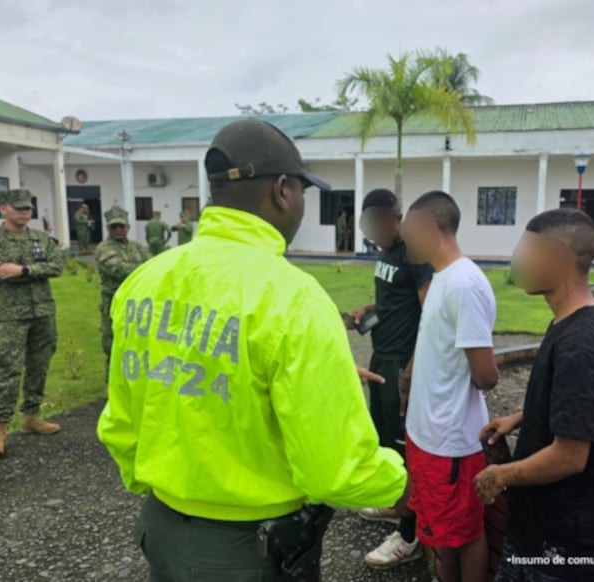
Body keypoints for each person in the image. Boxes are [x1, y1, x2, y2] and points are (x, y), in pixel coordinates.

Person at [97, 118, 410, 582]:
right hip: (250, 550)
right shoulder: (292, 297)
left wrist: (167, 483)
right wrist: (405, 484)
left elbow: (122, 422)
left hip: (161, 530)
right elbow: (334, 469)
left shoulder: (145, 282)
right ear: (284, 190)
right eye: (304, 190)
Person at [474, 208, 594, 582]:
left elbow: (570, 456)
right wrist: (521, 419)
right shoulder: (567, 322)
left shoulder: (584, 346)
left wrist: (502, 474)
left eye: (528, 253)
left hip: (565, 551)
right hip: (542, 537)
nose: (518, 263)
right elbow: (580, 408)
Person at [400, 190, 499, 582]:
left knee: (466, 532)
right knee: (444, 532)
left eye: (407, 227)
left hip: (451, 439)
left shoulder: (463, 284)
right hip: (428, 435)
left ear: (427, 227)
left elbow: (486, 375)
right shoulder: (442, 277)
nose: (402, 236)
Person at [345, 188, 432, 570]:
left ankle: (410, 537)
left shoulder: (416, 256)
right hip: (381, 355)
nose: (375, 231)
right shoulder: (386, 254)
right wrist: (369, 306)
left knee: (403, 445)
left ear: (396, 217)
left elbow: (430, 313)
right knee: (384, 438)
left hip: (401, 361)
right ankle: (398, 505)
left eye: (380, 222)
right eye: (370, 224)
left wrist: (413, 368)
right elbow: (396, 299)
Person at [0, 189, 65, 456]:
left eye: (28, 208)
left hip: (42, 312)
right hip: (9, 314)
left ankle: (31, 416)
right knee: (8, 370)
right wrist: (32, 272)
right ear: (4, 208)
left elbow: (57, 266)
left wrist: (22, 271)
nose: (25, 212)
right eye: (19, 208)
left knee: (39, 364)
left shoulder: (41, 238)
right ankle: (1, 426)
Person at [94, 206, 151, 383]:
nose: (118, 230)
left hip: (138, 303)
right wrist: (145, 270)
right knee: (114, 347)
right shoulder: (104, 248)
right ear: (107, 228)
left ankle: (134, 384)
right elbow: (119, 270)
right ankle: (111, 389)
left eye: (121, 226)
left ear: (128, 227)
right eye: (114, 227)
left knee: (138, 344)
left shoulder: (137, 247)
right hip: (114, 305)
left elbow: (153, 264)